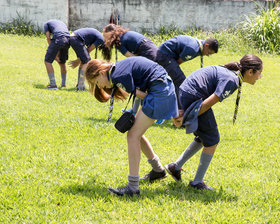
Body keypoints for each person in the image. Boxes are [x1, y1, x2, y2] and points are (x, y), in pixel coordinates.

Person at [165, 54, 263, 190]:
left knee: (204, 136)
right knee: (212, 140)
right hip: (194, 95)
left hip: (187, 91)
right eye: (259, 74)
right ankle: (196, 183)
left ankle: (174, 167)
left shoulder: (232, 74)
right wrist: (188, 116)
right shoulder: (232, 80)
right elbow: (207, 104)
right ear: (250, 71)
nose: (259, 77)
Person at [85, 56, 178, 196]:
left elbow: (142, 94)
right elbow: (138, 90)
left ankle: (133, 187)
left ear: (101, 72)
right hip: (162, 87)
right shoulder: (117, 70)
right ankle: (158, 171)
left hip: (160, 91)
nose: (100, 87)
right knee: (136, 133)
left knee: (133, 135)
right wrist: (134, 113)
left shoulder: (118, 74)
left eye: (97, 82)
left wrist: (156, 105)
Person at [156, 35, 219, 105]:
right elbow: (178, 62)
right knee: (180, 81)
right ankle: (179, 107)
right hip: (164, 55)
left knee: (175, 77)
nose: (207, 55)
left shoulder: (198, 44)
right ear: (206, 46)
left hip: (166, 54)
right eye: (209, 53)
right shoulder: (193, 49)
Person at [44, 19, 70, 89]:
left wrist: (55, 55)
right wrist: (56, 55)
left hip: (58, 39)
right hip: (68, 40)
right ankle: (63, 84)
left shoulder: (46, 24)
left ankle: (53, 85)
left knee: (47, 61)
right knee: (62, 62)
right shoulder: (62, 23)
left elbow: (48, 38)